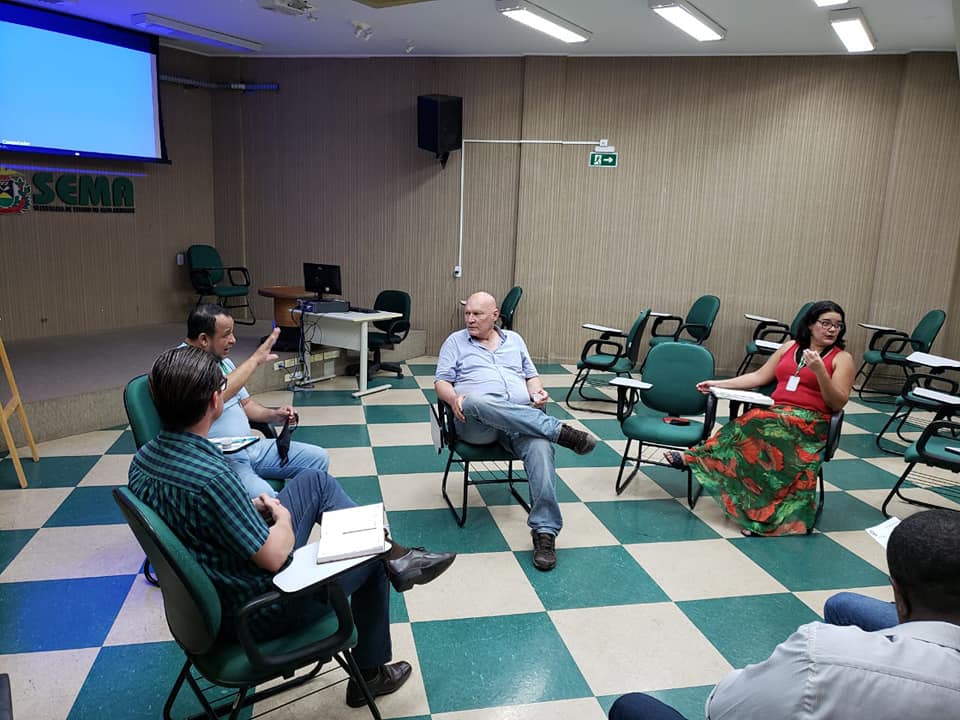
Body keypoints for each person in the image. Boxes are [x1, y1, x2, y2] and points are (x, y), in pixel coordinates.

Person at [129, 346, 456, 708]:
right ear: (215, 402)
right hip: (259, 608)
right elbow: (274, 556)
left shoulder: (143, 461)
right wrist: (282, 518)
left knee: (314, 481)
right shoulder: (211, 477)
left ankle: (398, 556)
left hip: (210, 594)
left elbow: (194, 517)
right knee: (371, 556)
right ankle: (370, 670)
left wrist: (245, 508)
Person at [608, 508, 960, 720]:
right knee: (841, 605)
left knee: (632, 707)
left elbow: (721, 708)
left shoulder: (822, 654)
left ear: (897, 595)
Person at [434, 291, 599, 571]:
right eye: (467, 313)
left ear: (495, 315)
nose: (470, 319)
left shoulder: (515, 340)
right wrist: (453, 399)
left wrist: (537, 392)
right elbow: (441, 382)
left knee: (541, 447)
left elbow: (531, 376)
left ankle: (545, 532)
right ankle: (557, 430)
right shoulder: (455, 342)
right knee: (474, 400)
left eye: (477, 314)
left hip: (519, 423)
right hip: (477, 426)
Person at [664, 300, 855, 536]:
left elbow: (837, 402)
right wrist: (718, 383)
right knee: (758, 424)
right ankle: (749, 504)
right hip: (778, 415)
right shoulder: (790, 347)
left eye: (838, 325)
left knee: (757, 419)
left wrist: (820, 372)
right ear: (810, 324)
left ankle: (696, 457)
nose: (832, 329)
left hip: (812, 423)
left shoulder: (842, 358)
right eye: (825, 323)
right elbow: (758, 376)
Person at [184, 304, 329, 499]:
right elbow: (215, 397)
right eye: (226, 335)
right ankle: (281, 513)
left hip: (249, 447)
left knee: (318, 459)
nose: (233, 340)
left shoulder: (223, 362)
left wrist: (274, 414)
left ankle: (297, 511)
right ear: (204, 339)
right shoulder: (182, 365)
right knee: (265, 497)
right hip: (219, 459)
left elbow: (246, 405)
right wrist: (254, 361)